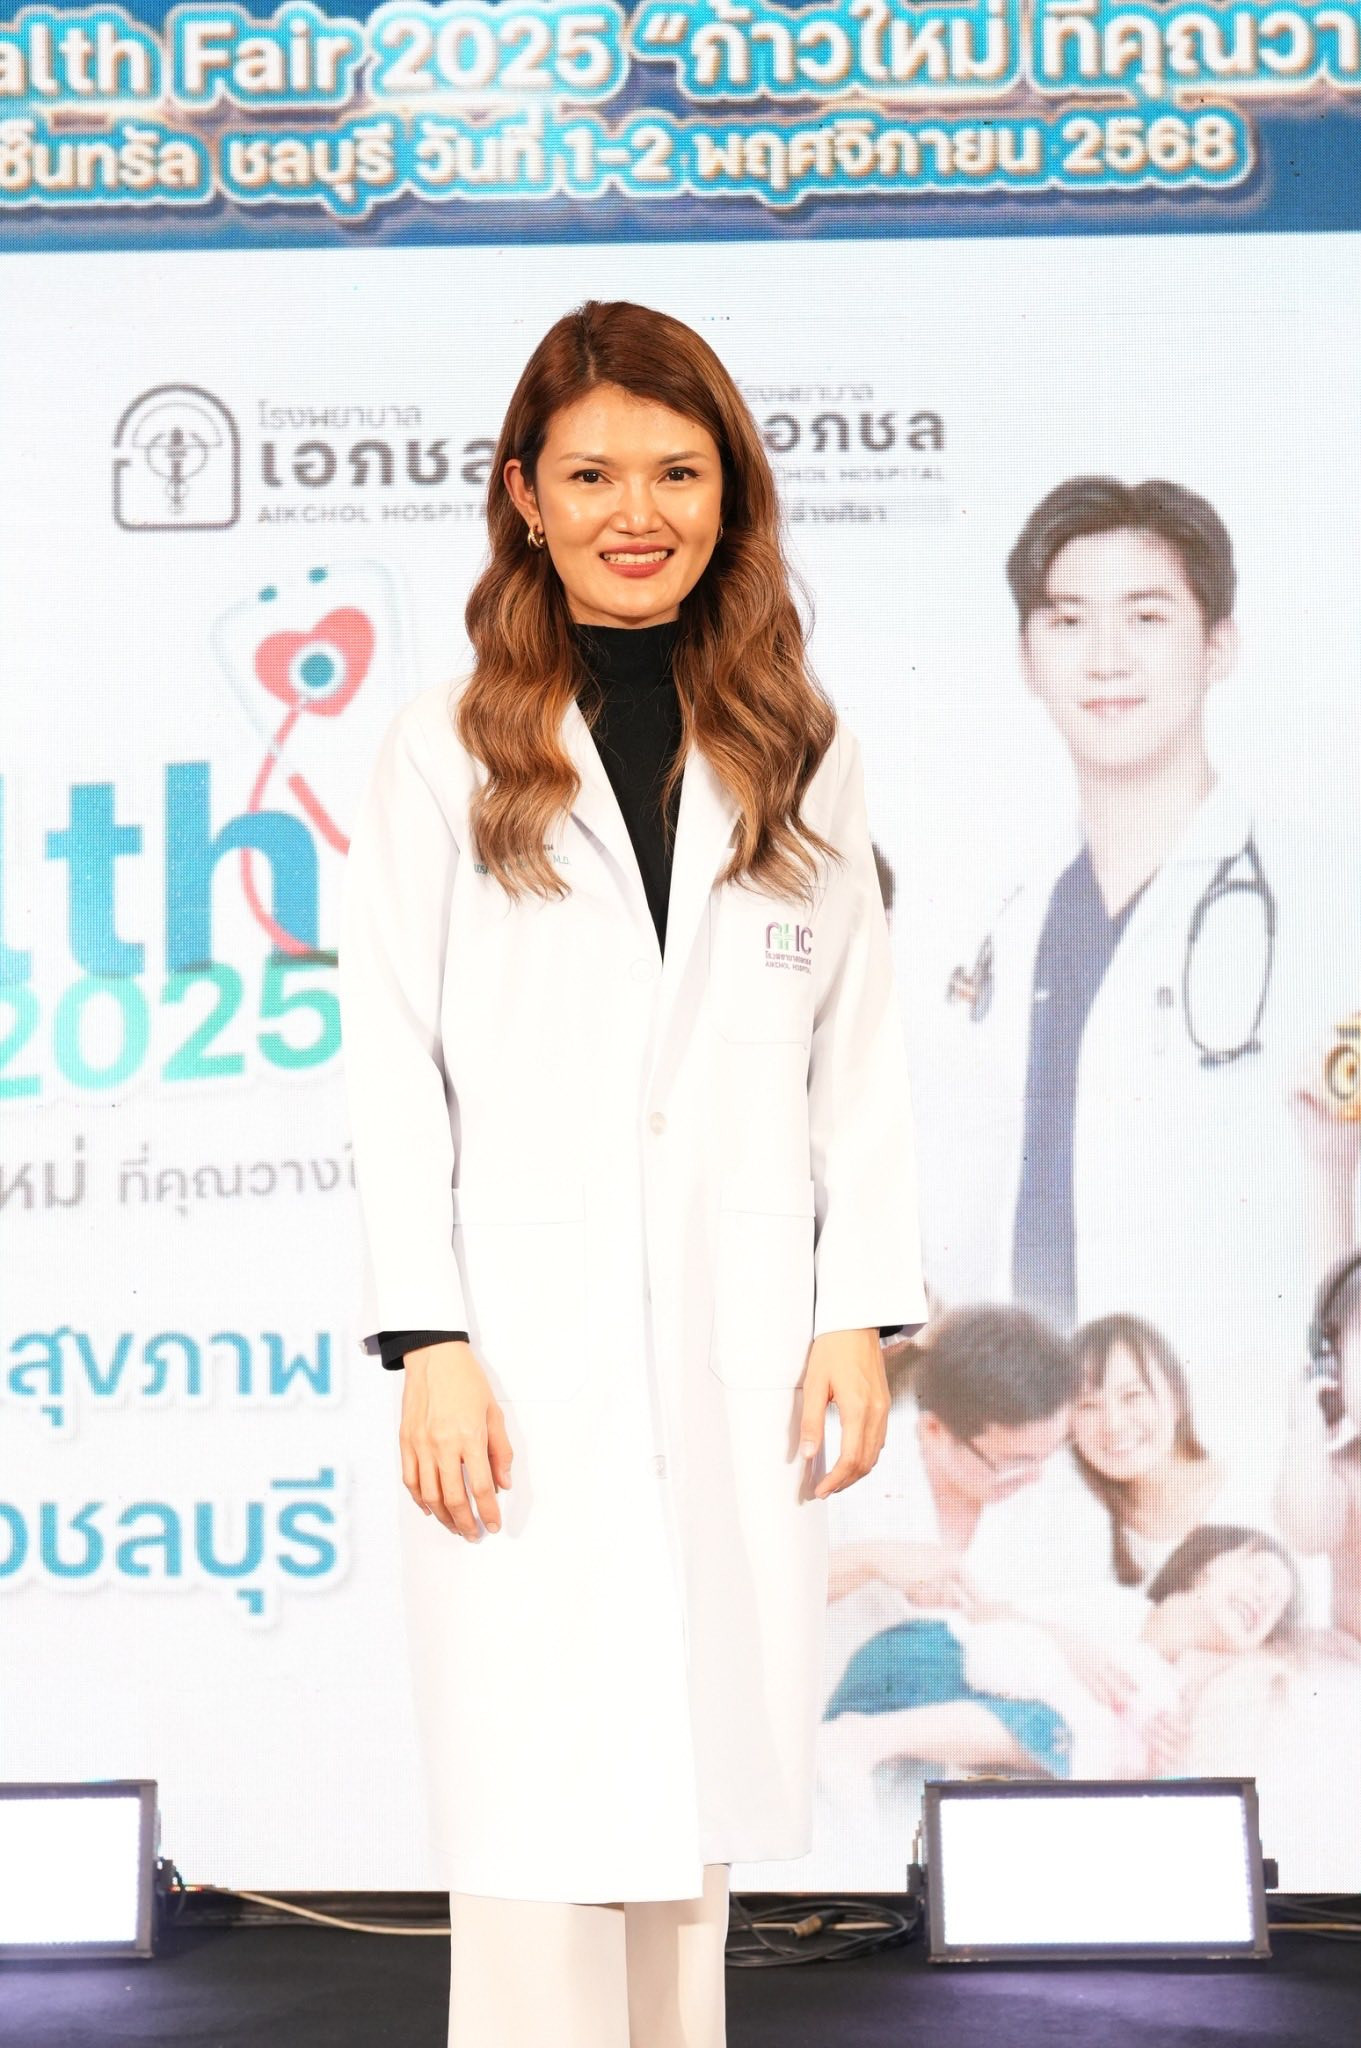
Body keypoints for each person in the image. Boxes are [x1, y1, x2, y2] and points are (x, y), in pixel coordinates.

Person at [337, 298, 928, 2048]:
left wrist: (855, 1311)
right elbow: (389, 1059)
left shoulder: (799, 744)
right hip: (520, 1349)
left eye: (676, 470)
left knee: (684, 1809)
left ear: (728, 490)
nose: (635, 511)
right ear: (525, 496)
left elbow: (857, 1049)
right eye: (591, 474)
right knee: (536, 1812)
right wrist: (429, 1337)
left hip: (737, 1335)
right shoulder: (445, 743)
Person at [923, 475, 1361, 1474]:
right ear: (1026, 657)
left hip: (1260, 1450)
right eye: (1067, 620)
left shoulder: (1328, 902)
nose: (1105, 657)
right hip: (1037, 1448)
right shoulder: (999, 917)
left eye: (1146, 617)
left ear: (1218, 645)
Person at [1069, 1311, 1272, 1588]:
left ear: (1176, 1398)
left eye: (1133, 1396)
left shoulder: (1250, 1492)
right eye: (1088, 1406)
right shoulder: (1079, 1517)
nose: (1113, 1424)